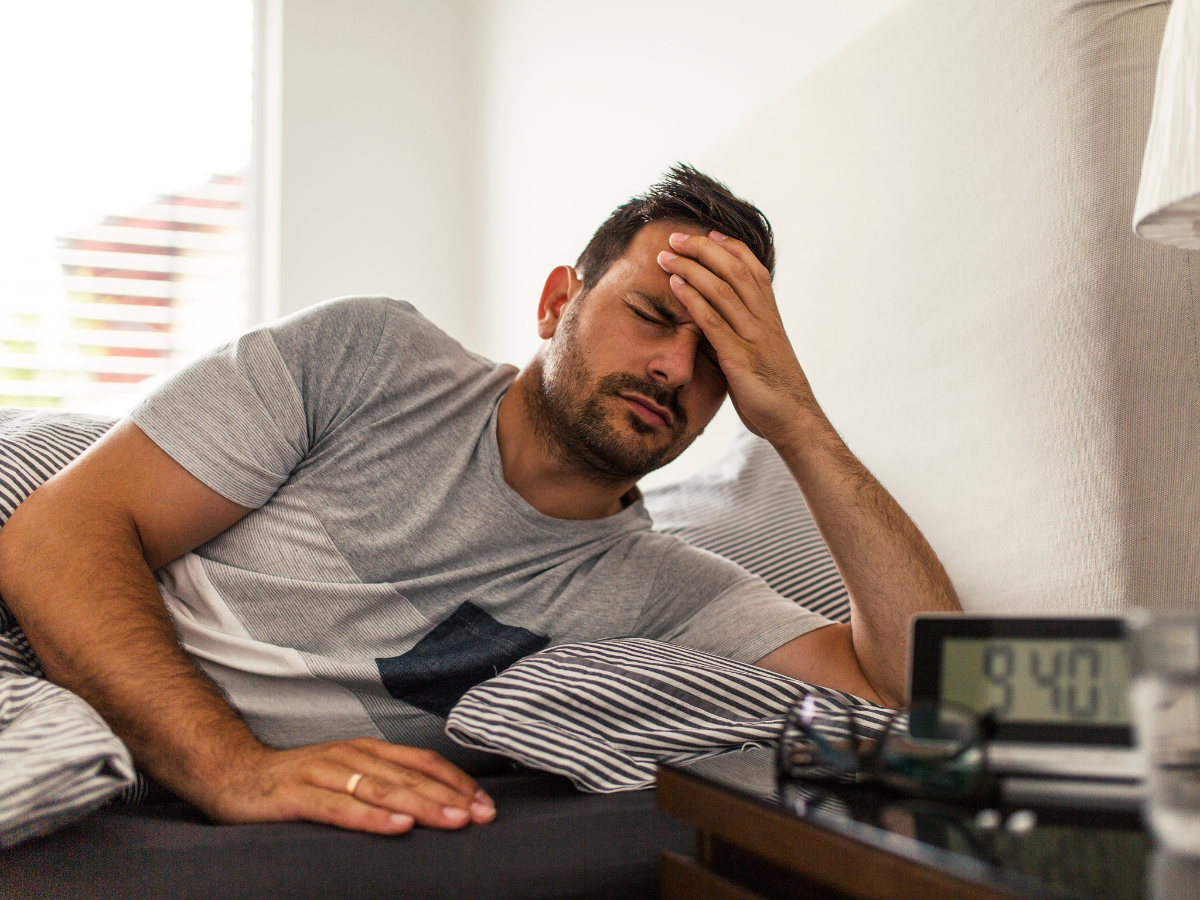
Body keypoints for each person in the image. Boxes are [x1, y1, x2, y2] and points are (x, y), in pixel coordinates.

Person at [0, 166, 960, 836]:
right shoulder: (369, 360)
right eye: (655, 316)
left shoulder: (659, 590)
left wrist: (796, 420)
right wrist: (231, 769)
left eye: (719, 361)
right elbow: (52, 535)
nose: (674, 367)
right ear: (556, 304)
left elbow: (920, 699)